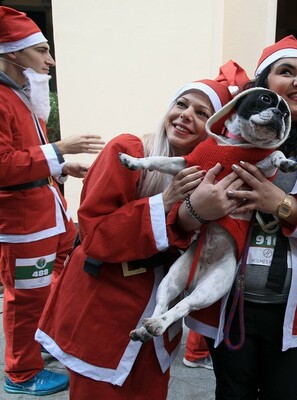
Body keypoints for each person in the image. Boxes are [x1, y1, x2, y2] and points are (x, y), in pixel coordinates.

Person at [35, 70, 243, 399]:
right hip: (101, 312)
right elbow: (93, 235)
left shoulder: (212, 176)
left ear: (214, 130)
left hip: (156, 321)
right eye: (182, 104)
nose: (187, 114)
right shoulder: (129, 149)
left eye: (202, 113)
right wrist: (166, 201)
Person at [184, 35, 297, 400]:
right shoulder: (230, 138)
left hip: (295, 307)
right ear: (262, 86)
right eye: (286, 72)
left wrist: (279, 202)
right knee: (231, 393)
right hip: (231, 300)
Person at [0, 6, 104, 396]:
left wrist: (62, 167)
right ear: (13, 52)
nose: (51, 60)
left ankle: (38, 346)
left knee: (54, 284)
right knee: (27, 297)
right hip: (23, 226)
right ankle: (21, 373)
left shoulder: (21, 96)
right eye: (42, 50)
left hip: (48, 216)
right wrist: (59, 149)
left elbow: (27, 156)